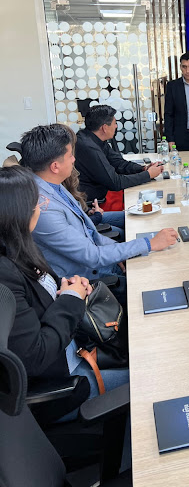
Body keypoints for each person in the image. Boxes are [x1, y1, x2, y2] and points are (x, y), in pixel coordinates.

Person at [0, 165, 129, 409]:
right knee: (151, 377)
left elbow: (39, 298)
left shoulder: (20, 247)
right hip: (64, 379)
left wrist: (67, 287)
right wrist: (71, 299)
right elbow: (36, 355)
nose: (41, 206)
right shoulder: (5, 276)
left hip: (78, 343)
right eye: (36, 202)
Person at [20, 124, 178, 303]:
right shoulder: (43, 208)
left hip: (101, 263)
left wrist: (119, 252)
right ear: (55, 166)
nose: (74, 160)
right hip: (87, 281)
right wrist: (149, 243)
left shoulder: (50, 184)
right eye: (70, 155)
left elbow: (90, 233)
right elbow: (92, 256)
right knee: (159, 277)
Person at [74, 105, 163, 202]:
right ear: (104, 128)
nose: (116, 126)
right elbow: (115, 182)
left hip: (103, 192)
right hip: (96, 202)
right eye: (115, 123)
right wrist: (148, 175)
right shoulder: (89, 147)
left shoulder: (94, 138)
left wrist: (142, 169)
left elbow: (118, 163)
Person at [61, 123, 125, 238]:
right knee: (122, 233)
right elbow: (74, 226)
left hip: (87, 216)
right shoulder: (50, 193)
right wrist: (96, 216)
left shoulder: (61, 182)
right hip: (84, 227)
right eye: (70, 155)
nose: (74, 159)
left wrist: (88, 211)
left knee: (128, 218)